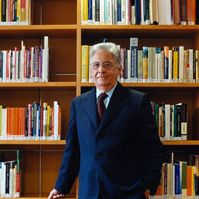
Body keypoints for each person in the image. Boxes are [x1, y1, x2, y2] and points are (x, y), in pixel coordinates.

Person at [48, 42, 164, 199]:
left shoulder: (137, 102)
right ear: (90, 70)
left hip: (127, 193)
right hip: (89, 192)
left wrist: (148, 187)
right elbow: (73, 151)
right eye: (96, 65)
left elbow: (153, 150)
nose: (101, 70)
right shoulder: (78, 104)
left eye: (107, 65)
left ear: (119, 69)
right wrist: (61, 187)